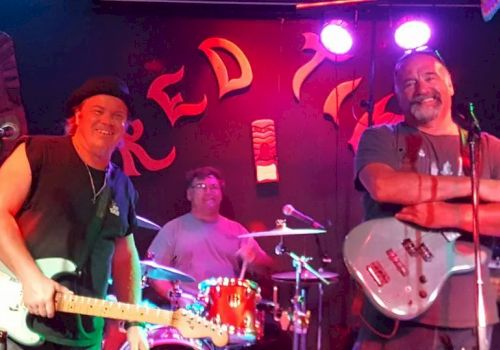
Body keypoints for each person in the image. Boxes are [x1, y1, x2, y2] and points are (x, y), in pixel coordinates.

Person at [352, 48, 500, 349]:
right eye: (408, 83)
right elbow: (384, 187)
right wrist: (477, 189)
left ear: (450, 85)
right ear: (398, 94)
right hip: (391, 317)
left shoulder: (489, 148)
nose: (421, 89)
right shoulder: (380, 137)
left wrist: (450, 216)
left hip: (468, 316)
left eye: (429, 77)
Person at [0, 76, 148, 349]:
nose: (108, 121)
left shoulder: (123, 187)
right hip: (15, 322)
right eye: (98, 111)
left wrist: (135, 323)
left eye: (118, 116)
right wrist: (30, 277)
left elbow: (126, 257)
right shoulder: (38, 152)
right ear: (78, 116)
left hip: (84, 335)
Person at [147, 166, 272, 300]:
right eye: (201, 186)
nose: (208, 191)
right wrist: (177, 299)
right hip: (188, 311)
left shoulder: (237, 230)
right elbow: (154, 273)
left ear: (221, 195)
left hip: (228, 308)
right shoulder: (172, 229)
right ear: (189, 194)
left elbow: (265, 267)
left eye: (214, 187)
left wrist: (254, 258)